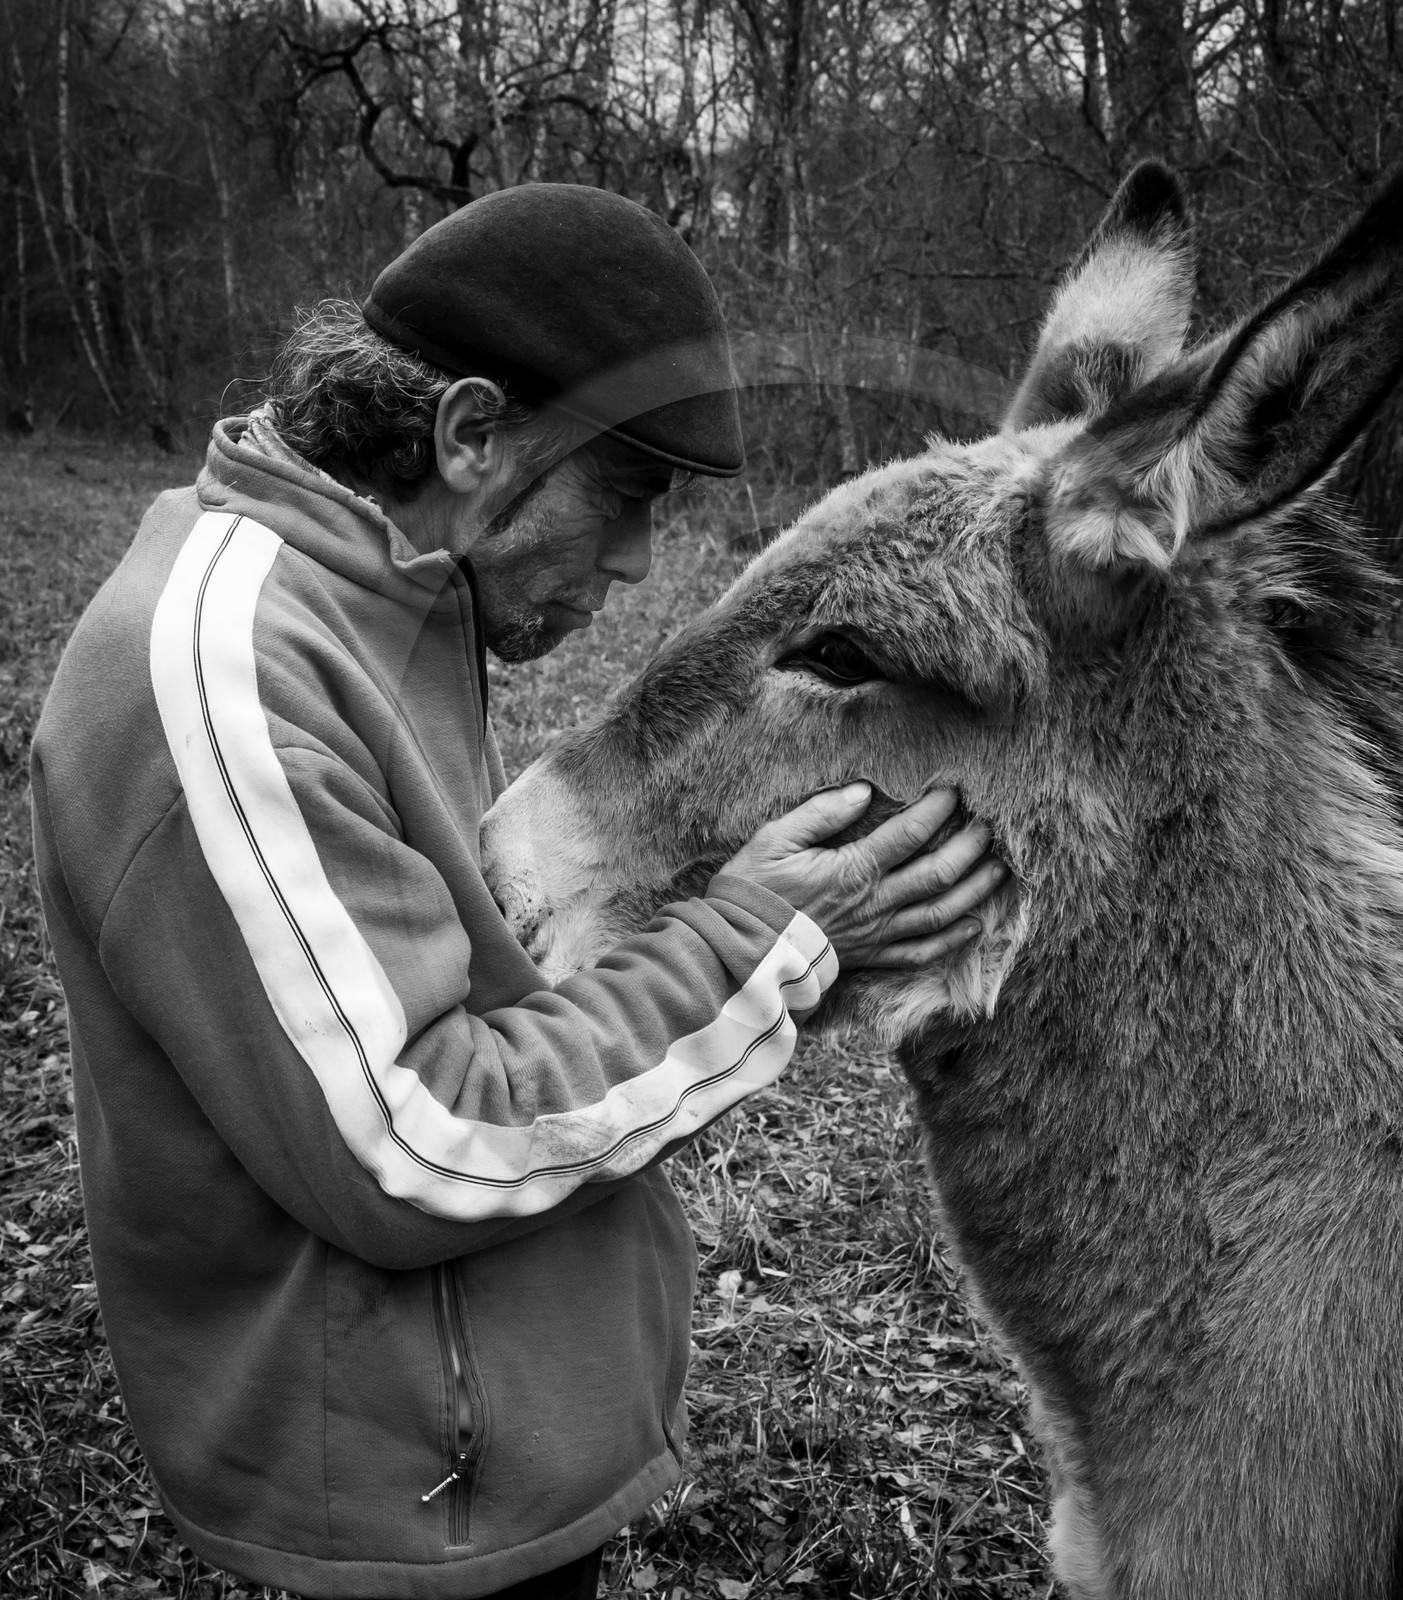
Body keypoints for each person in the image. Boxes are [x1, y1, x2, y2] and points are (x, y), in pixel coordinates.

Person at [30, 183, 1004, 1600]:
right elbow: (417, 1143)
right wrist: (768, 937)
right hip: (397, 1507)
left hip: (470, 1455)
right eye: (625, 497)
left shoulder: (385, 598)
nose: (634, 563)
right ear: (472, 431)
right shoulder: (229, 674)